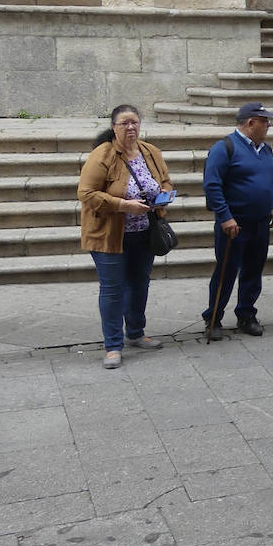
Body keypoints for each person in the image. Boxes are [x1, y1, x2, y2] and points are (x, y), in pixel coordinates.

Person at [78, 104, 172, 368]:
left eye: (134, 122)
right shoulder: (103, 155)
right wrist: (124, 205)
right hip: (108, 234)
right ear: (114, 127)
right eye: (124, 123)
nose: (131, 127)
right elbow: (86, 193)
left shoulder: (150, 152)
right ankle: (112, 345)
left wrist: (162, 197)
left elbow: (164, 181)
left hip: (144, 231)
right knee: (112, 289)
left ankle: (136, 332)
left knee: (140, 284)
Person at [202, 102, 273, 338]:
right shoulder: (224, 147)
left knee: (253, 271)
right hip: (234, 225)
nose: (268, 125)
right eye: (265, 121)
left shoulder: (265, 149)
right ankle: (213, 318)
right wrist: (225, 217)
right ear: (250, 123)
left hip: (260, 222)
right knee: (226, 272)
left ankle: (246, 315)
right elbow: (212, 185)